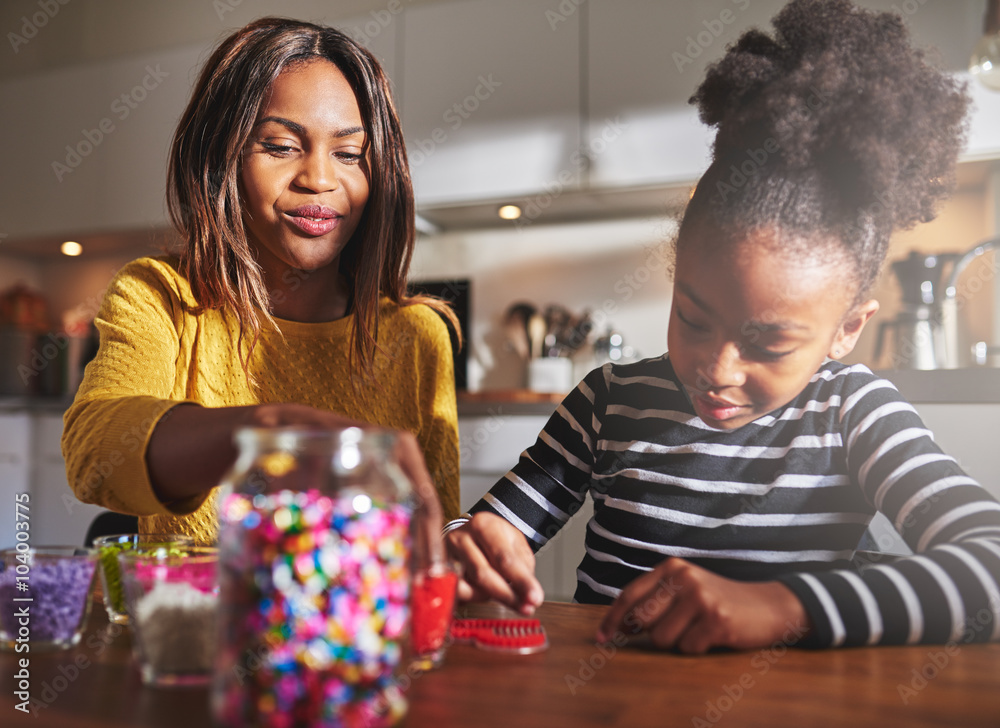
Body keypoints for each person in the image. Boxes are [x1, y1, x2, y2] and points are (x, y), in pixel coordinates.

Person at [445, 0, 1000, 652]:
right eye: (693, 319)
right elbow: (486, 531)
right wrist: (469, 546)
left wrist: (783, 607)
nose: (718, 368)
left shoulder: (854, 412)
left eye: (767, 341)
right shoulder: (606, 403)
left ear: (848, 329)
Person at [62, 17, 461, 545]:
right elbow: (96, 454)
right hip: (200, 627)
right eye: (279, 146)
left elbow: (436, 519)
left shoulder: (418, 337)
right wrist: (272, 433)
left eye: (349, 154)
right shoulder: (161, 298)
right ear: (221, 159)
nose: (319, 179)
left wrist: (463, 537)